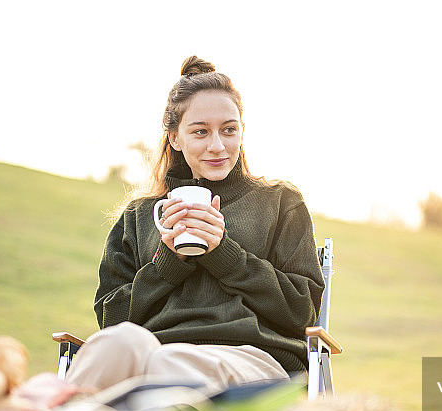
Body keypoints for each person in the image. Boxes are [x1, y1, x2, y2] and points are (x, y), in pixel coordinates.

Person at [66, 56, 325, 392]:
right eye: (201, 131)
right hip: (156, 348)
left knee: (162, 364)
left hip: (253, 356)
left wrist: (225, 253)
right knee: (116, 346)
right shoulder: (140, 216)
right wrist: (168, 262)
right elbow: (111, 320)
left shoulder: (279, 202)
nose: (217, 145)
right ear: (175, 138)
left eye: (228, 130)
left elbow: (300, 310)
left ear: (242, 131)